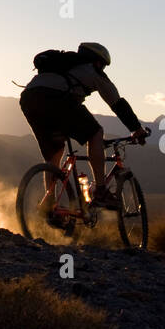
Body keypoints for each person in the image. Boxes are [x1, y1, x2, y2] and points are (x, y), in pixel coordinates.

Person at [19, 41, 148, 212]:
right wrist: (136, 129)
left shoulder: (61, 66)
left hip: (29, 99)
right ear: (97, 61)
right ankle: (101, 191)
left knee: (54, 153)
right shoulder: (93, 71)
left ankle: (49, 206)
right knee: (95, 133)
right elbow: (117, 103)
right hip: (58, 99)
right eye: (103, 65)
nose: (103, 69)